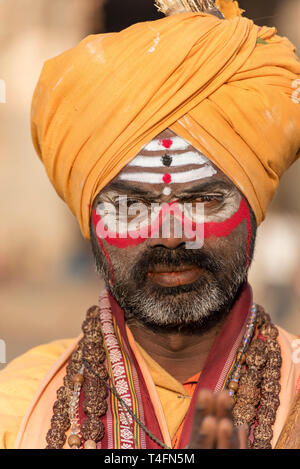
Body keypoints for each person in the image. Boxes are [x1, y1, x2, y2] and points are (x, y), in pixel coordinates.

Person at [1, 0, 300, 450]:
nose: (172, 234)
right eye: (130, 206)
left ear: (254, 208)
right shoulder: (19, 407)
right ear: (90, 221)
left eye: (201, 199)